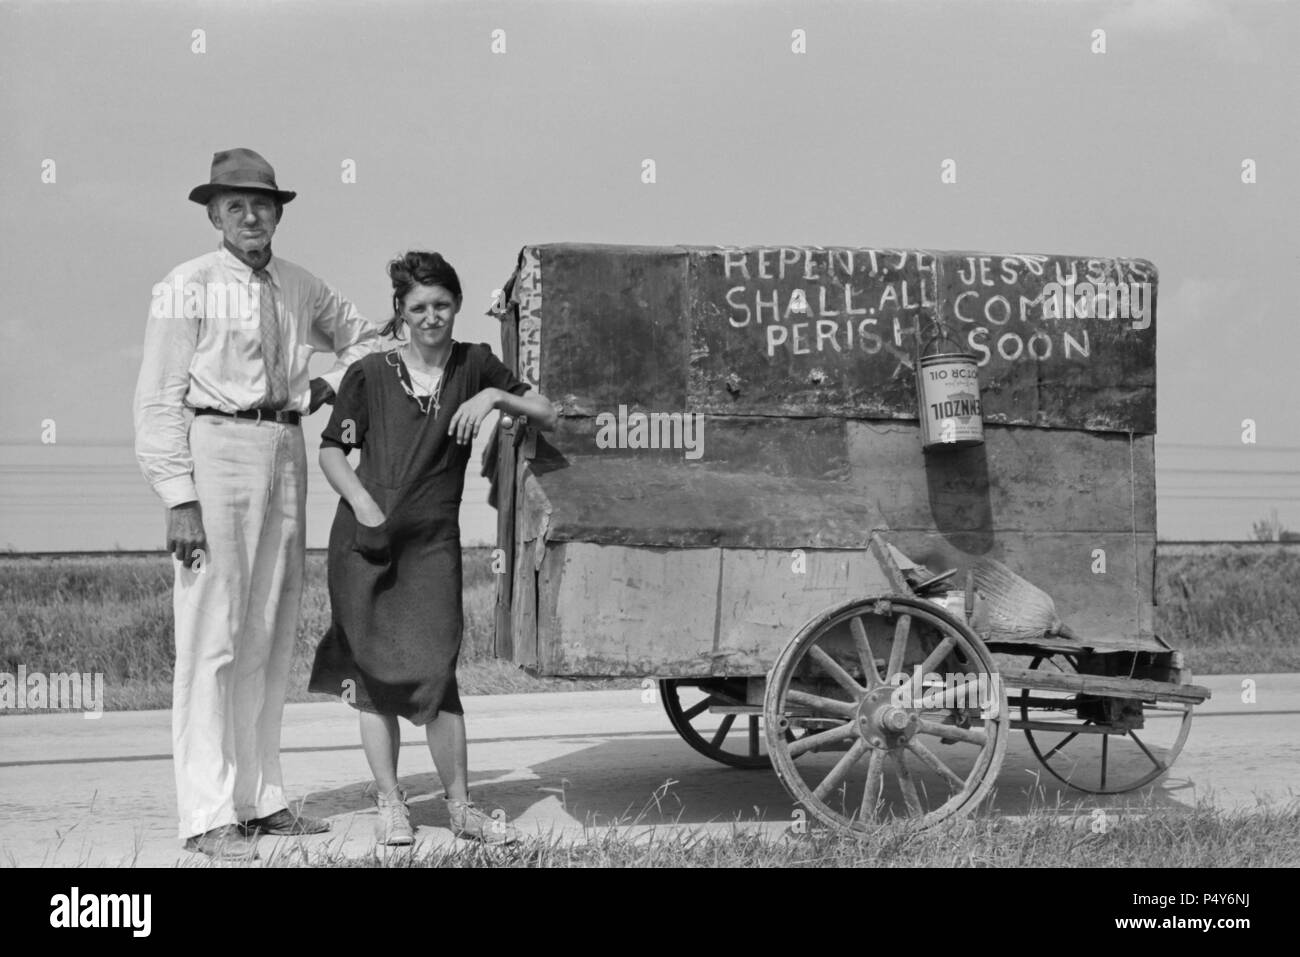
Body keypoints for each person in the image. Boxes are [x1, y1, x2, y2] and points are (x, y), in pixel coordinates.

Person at [133, 148, 381, 859]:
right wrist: (179, 497)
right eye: (235, 205)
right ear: (213, 214)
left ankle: (260, 796)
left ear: (279, 212)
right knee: (212, 635)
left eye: (262, 204)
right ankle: (208, 812)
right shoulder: (185, 286)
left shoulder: (301, 285)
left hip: (284, 447)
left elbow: (365, 339)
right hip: (216, 447)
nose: (251, 216)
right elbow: (156, 399)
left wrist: (323, 388)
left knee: (269, 632)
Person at [309, 250, 556, 845]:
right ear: (399, 310)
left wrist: (493, 399)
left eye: (442, 304)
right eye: (418, 306)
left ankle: (463, 807)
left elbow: (545, 410)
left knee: (438, 672)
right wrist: (366, 506)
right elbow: (331, 451)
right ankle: (392, 804)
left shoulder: (476, 365)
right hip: (365, 543)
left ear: (457, 306)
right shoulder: (367, 374)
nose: (431, 316)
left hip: (432, 543)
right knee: (372, 681)